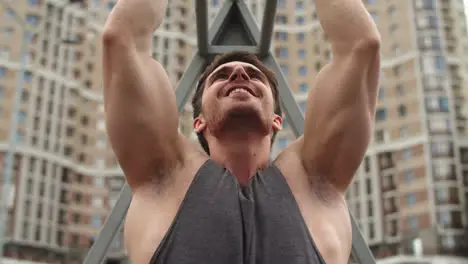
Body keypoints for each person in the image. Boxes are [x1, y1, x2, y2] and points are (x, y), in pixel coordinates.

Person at [102, 0, 380, 263]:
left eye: (254, 75)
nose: (239, 75)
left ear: (276, 120)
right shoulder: (164, 175)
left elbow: (361, 45)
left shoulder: (314, 180)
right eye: (222, 76)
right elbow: (122, 39)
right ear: (198, 121)